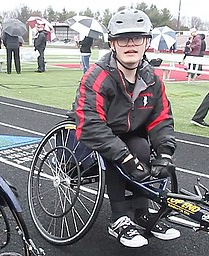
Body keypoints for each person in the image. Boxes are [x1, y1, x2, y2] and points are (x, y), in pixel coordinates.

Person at [67, 9, 180, 248]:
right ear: (112, 43)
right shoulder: (96, 76)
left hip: (130, 137)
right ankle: (119, 219)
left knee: (139, 145)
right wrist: (125, 158)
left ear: (146, 42)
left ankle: (141, 213)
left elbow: (161, 119)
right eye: (122, 38)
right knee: (118, 154)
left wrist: (165, 154)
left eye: (137, 38)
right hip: (93, 144)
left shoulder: (153, 80)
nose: (130, 44)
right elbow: (91, 124)